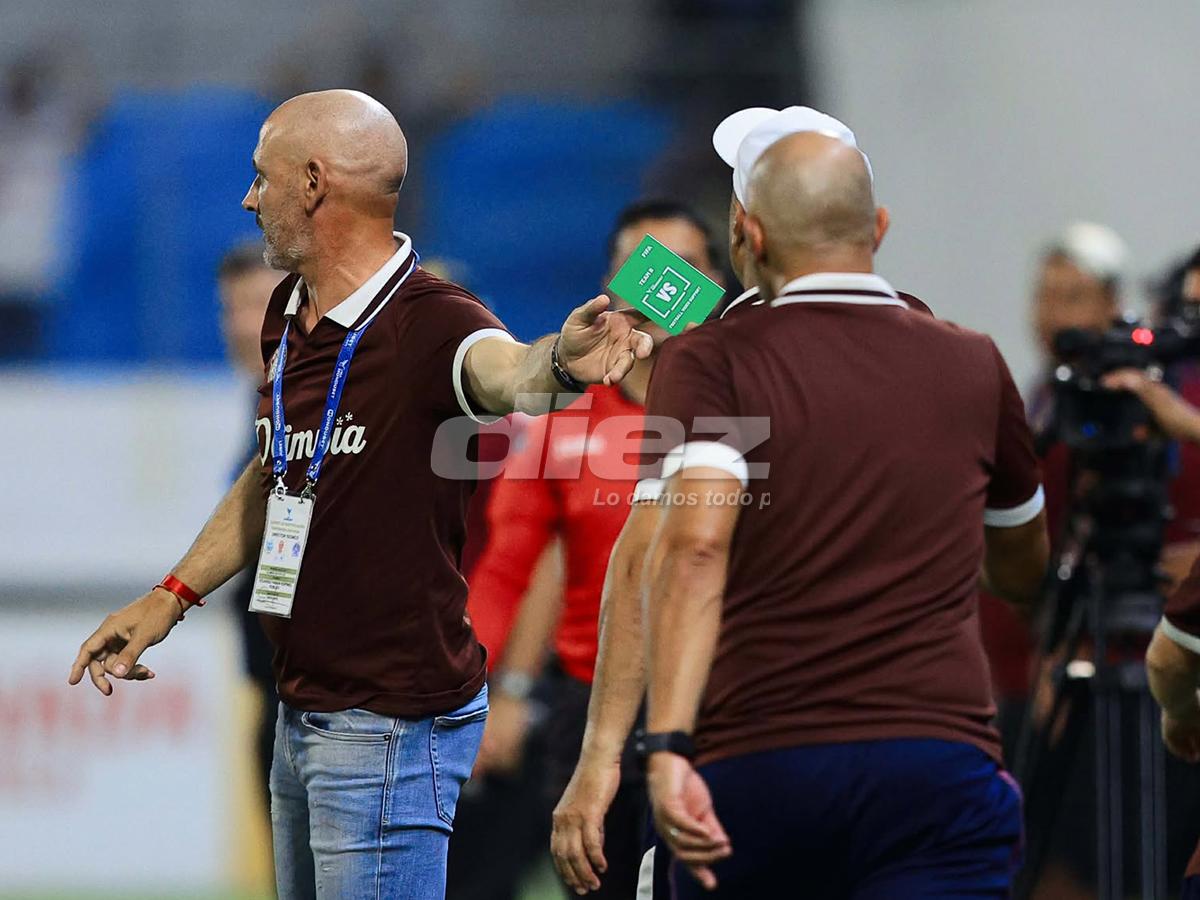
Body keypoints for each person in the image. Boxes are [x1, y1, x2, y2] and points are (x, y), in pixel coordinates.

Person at [67, 89, 651, 900]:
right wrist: (171, 597)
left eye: (260, 177)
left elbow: (507, 368)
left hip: (388, 729)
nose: (247, 198)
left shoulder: (434, 321)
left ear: (312, 183)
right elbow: (279, 469)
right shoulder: (287, 312)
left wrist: (557, 365)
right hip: (302, 713)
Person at [636, 114, 1049, 897]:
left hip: (758, 764)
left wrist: (666, 746)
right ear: (880, 227)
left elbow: (693, 549)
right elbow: (1023, 564)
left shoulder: (707, 360)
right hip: (937, 764)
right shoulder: (974, 362)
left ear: (749, 235)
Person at [549, 107, 931, 898]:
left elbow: (653, 561)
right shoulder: (938, 343)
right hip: (910, 735)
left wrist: (603, 756)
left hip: (741, 743)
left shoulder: (716, 360)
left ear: (745, 230)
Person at [466, 199, 723, 899]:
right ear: (610, 282)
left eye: (681, 269)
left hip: (722, 700)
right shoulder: (563, 416)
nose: (658, 287)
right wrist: (467, 690)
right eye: (639, 265)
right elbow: (508, 563)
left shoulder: (745, 402)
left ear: (716, 284)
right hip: (588, 704)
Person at [216, 242, 288, 808]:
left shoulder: (323, 403)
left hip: (331, 702)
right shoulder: (262, 401)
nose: (240, 324)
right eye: (230, 308)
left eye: (257, 304)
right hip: (280, 687)